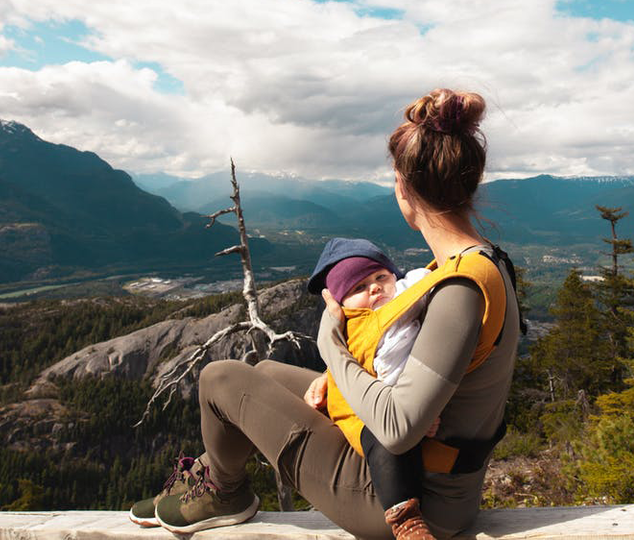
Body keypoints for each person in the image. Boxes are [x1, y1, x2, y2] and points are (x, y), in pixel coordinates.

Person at [128, 88, 522, 540]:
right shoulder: (481, 263)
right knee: (269, 374)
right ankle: (211, 477)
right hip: (431, 477)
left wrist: (331, 344)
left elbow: (396, 429)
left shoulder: (459, 289)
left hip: (411, 500)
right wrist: (341, 379)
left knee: (220, 378)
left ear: (402, 187)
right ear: (471, 182)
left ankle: (225, 490)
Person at [304, 237, 437, 536]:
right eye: (359, 288)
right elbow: (355, 360)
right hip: (364, 410)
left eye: (381, 277)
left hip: (406, 401)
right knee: (384, 443)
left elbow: (426, 279)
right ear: (342, 303)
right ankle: (405, 520)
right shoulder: (356, 325)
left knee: (398, 439)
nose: (375, 287)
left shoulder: (406, 298)